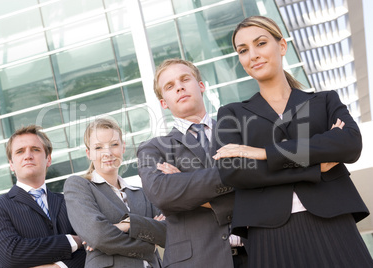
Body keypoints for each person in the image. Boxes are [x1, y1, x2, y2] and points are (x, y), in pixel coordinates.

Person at [213, 15, 373, 267]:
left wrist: (264, 153)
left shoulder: (324, 100)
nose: (253, 54)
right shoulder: (231, 113)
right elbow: (233, 171)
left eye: (261, 43)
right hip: (267, 232)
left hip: (333, 221)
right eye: (243, 50)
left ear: (282, 46)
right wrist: (313, 166)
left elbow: (349, 143)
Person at [137, 58, 247, 268]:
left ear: (201, 86)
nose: (179, 87)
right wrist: (237, 175)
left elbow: (263, 181)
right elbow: (162, 194)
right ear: (163, 102)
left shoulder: (239, 132)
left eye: (185, 79)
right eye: (169, 86)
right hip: (196, 261)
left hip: (257, 251)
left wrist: (183, 181)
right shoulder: (153, 148)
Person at [63, 118, 166, 268]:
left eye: (114, 145)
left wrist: (126, 225)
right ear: (88, 153)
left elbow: (167, 231)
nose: (108, 153)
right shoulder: (79, 186)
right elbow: (98, 236)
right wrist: (149, 244)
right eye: (98, 148)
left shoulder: (142, 193)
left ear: (123, 148)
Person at [0, 125, 86, 268]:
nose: (28, 155)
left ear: (48, 159)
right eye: (20, 151)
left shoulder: (71, 202)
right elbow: (10, 254)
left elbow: (94, 248)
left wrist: (59, 267)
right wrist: (72, 241)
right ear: (11, 164)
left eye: (35, 149)